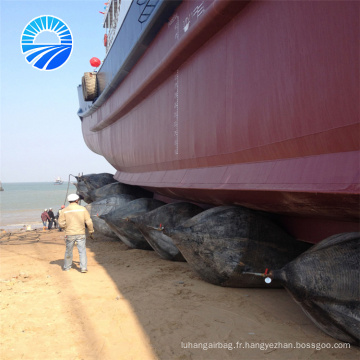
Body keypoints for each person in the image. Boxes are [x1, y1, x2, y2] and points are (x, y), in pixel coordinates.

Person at [58, 194, 94, 273]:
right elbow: (89, 221)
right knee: (82, 251)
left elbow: (61, 223)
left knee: (68, 251)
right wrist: (91, 231)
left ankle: (67, 267)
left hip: (69, 233)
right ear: (77, 200)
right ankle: (83, 268)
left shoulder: (64, 210)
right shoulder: (82, 209)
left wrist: (65, 228)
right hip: (81, 233)